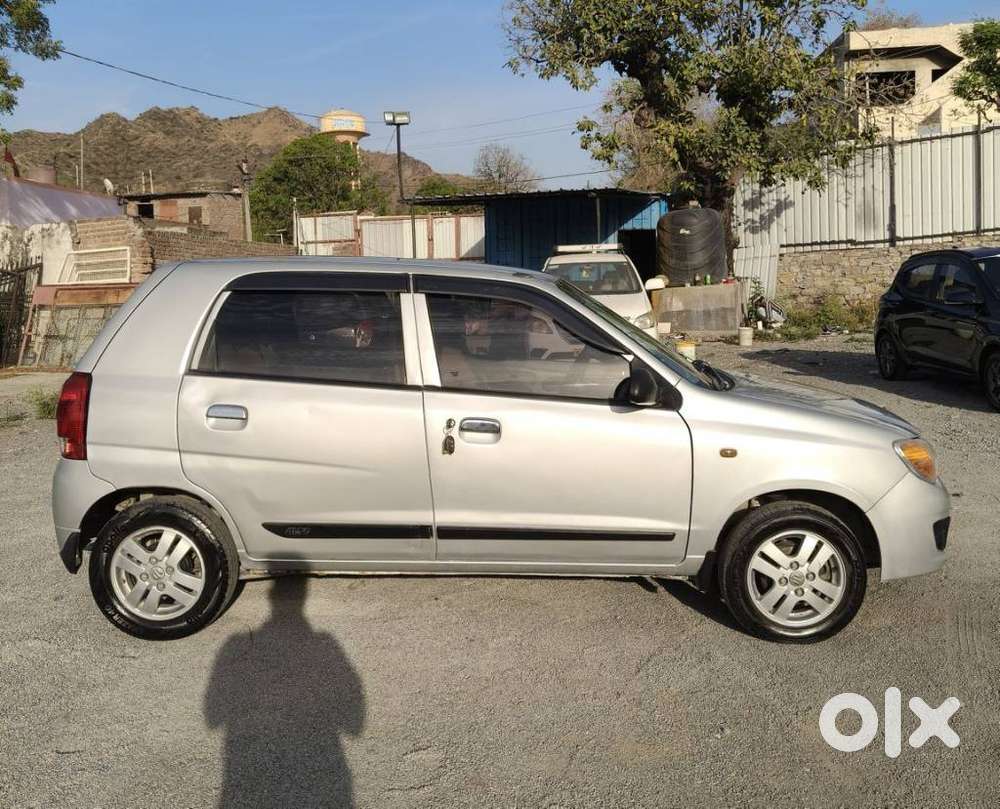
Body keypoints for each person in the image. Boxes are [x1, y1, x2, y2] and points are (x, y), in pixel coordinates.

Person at [204, 576, 365, 808]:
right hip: (322, 771)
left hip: (244, 771)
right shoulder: (325, 643)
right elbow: (354, 725)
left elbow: (212, 716)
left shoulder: (234, 645)